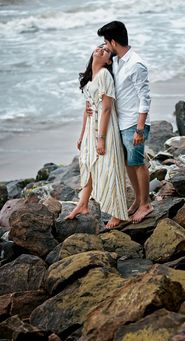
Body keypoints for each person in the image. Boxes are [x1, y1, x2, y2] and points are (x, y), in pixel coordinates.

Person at [65, 45, 128, 228]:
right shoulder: (89, 77)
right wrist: (82, 134)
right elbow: (87, 109)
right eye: (100, 47)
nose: (101, 49)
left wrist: (101, 138)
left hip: (105, 128)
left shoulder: (105, 76)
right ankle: (83, 204)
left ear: (109, 61)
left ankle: (117, 213)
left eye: (107, 50)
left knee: (110, 167)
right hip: (91, 128)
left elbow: (107, 108)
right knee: (88, 163)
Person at [97, 21, 153, 223]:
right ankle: (138, 200)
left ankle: (146, 204)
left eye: (106, 41)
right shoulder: (118, 60)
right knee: (129, 163)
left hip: (133, 124)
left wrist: (139, 129)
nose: (105, 46)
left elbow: (145, 98)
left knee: (138, 163)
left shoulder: (136, 64)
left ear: (113, 41)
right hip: (122, 122)